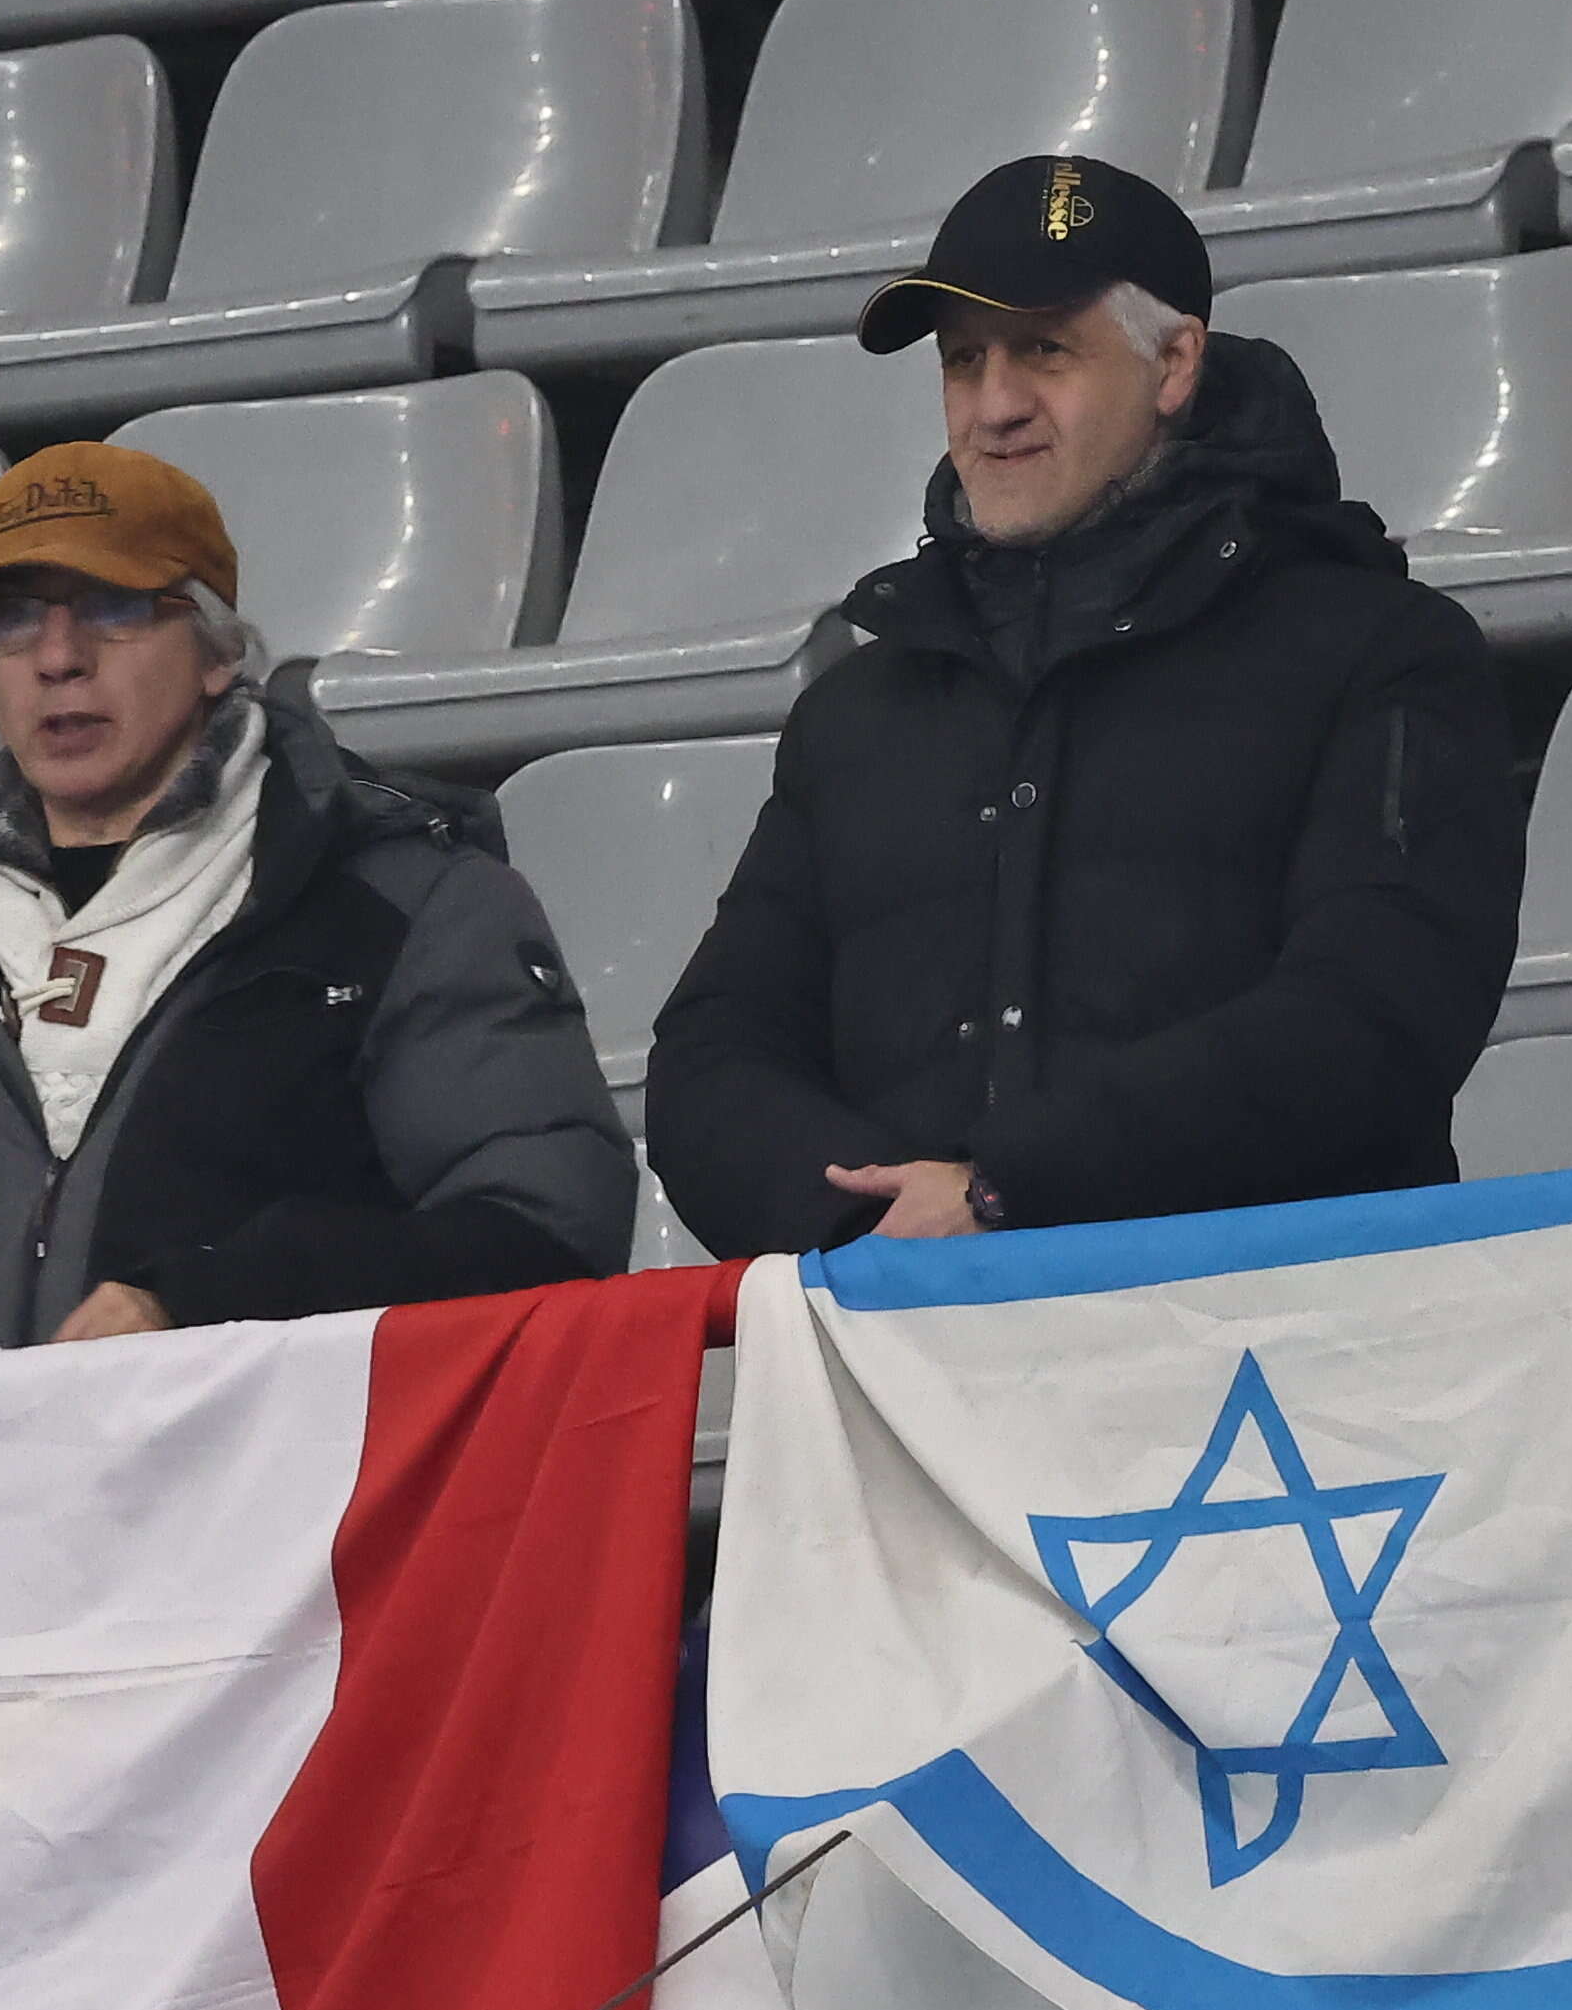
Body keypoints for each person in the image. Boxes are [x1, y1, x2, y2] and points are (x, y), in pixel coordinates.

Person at [643, 153, 1524, 1257]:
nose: (994, 407)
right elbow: (711, 1060)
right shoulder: (856, 715)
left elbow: (1378, 1013)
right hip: (921, 1366)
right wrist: (872, 1224)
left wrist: (1012, 1192)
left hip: (1279, 1374)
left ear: (1174, 364)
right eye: (962, 362)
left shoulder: (1376, 652)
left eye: (1044, 351)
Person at [0, 442, 633, 1377]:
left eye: (116, 609)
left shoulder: (403, 900)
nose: (58, 658)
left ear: (218, 655)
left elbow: (542, 1226)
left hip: (293, 1517)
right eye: (10, 622)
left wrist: (205, 1304)